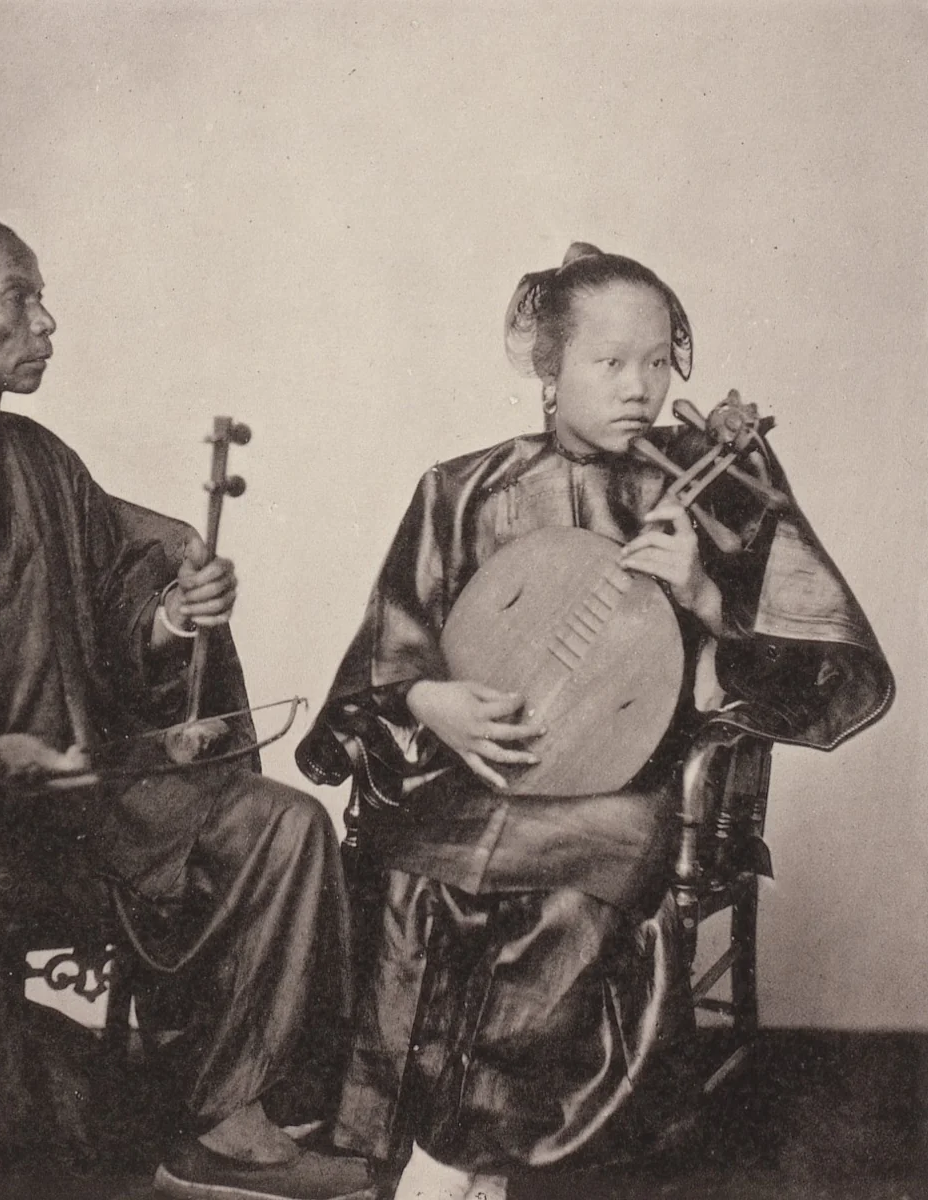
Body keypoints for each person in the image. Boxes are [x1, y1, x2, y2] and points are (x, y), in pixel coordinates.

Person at [295, 243, 894, 1200]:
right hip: (479, 768)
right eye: (609, 363)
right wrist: (426, 698)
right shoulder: (462, 488)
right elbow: (393, 639)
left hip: (628, 781)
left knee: (570, 890)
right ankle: (389, 1136)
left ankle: (457, 1159)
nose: (640, 388)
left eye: (657, 362)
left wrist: (700, 592)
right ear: (548, 367)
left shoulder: (718, 489)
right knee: (407, 869)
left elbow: (810, 664)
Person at [0, 215, 373, 1200]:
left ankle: (224, 1121)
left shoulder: (41, 460)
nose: (47, 322)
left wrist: (169, 616)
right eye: (19, 298)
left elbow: (115, 603)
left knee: (282, 826)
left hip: (86, 795)